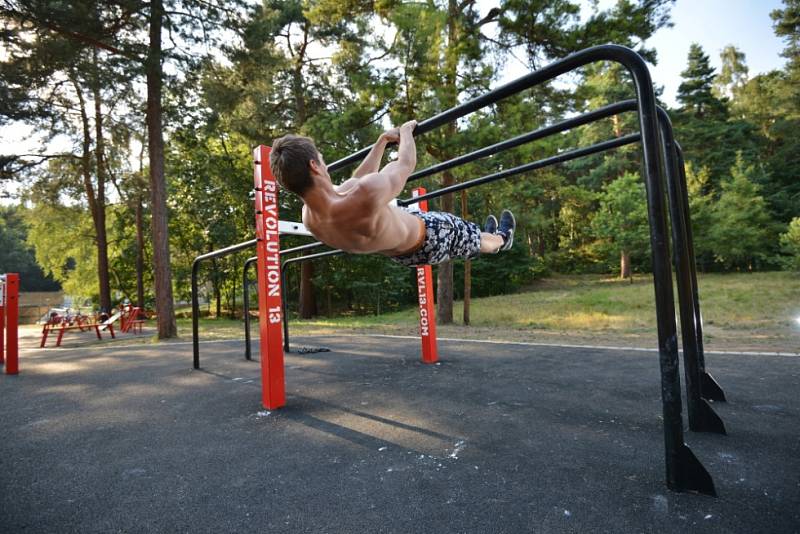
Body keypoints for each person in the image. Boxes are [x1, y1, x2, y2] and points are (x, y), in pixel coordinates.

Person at [269, 119, 515, 268]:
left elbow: (356, 181)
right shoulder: (365, 194)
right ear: (314, 166)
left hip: (402, 255)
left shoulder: (309, 217)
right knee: (476, 239)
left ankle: (484, 239)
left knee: (470, 239)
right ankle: (502, 239)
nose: (325, 165)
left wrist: (382, 142)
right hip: (431, 234)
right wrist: (407, 131)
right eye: (322, 160)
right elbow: (405, 164)